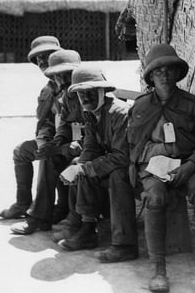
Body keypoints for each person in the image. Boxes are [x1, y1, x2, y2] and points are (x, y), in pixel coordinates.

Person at [129, 43, 195, 293]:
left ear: (176, 73)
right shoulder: (140, 107)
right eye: (157, 71)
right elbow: (131, 146)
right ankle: (158, 269)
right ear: (150, 76)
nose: (163, 74)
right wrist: (153, 157)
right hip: (153, 168)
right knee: (155, 197)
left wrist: (190, 165)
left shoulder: (193, 105)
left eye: (169, 69)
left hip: (187, 165)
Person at [57, 65, 138, 264]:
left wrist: (85, 168)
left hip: (135, 164)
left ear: (102, 91)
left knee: (116, 174)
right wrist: (79, 167)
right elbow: (91, 147)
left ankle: (124, 245)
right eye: (80, 93)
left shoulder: (120, 112)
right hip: (115, 160)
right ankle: (87, 229)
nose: (85, 98)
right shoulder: (90, 113)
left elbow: (123, 156)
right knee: (80, 164)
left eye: (90, 92)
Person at [10, 49, 84, 234]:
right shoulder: (59, 95)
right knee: (44, 154)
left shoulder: (87, 92)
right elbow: (53, 125)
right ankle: (37, 215)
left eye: (67, 75)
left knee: (52, 157)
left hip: (88, 149)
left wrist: (62, 146)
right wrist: (51, 144)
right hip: (68, 144)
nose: (62, 80)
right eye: (57, 76)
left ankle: (44, 216)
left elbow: (95, 133)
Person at [0, 35, 62, 219]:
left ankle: (40, 214)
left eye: (46, 55)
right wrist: (43, 139)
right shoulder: (48, 89)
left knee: (47, 155)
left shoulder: (72, 81)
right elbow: (45, 122)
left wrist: (51, 144)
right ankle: (22, 203)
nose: (42, 61)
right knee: (21, 151)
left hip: (73, 143)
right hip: (54, 140)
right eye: (38, 59)